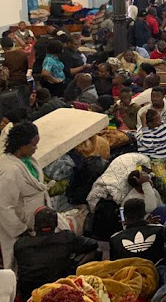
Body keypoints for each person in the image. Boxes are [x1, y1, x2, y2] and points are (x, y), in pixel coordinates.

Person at [14, 207, 99, 299]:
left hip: (28, 293)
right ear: (56, 224)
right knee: (96, 252)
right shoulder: (65, 238)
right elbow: (93, 244)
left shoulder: (20, 244)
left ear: (35, 225)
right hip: (57, 289)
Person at [0, 122, 48, 268]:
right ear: (22, 145)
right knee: (20, 265)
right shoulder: (9, 172)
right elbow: (4, 206)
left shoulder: (28, 161)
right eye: (34, 145)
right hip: (20, 229)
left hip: (35, 224)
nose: (36, 148)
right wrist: (21, 230)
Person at [109, 198, 165, 263]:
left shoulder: (115, 239)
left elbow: (114, 265)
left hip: (128, 272)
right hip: (157, 271)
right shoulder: (160, 230)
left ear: (124, 216)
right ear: (144, 213)